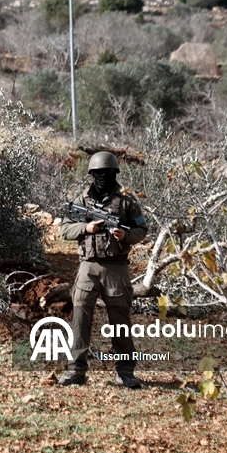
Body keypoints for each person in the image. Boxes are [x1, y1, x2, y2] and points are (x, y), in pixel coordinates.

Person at [58, 151, 148, 388]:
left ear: (114, 173)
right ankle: (76, 371)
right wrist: (86, 228)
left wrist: (125, 235)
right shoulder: (82, 199)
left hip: (116, 268)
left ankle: (125, 372)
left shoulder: (127, 201)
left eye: (106, 173)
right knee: (80, 319)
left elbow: (142, 230)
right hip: (87, 266)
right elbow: (65, 230)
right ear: (91, 174)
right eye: (97, 173)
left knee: (120, 321)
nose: (101, 177)